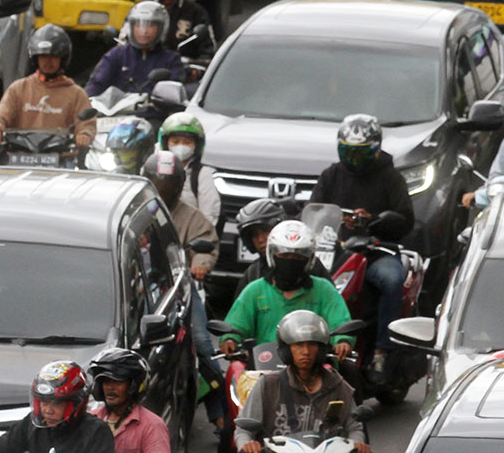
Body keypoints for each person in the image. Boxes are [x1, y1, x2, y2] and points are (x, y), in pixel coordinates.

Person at [308, 114, 412, 383]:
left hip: (377, 251)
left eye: (360, 152)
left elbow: (405, 219)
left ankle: (382, 350)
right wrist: (331, 223)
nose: (354, 158)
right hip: (335, 252)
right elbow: (312, 211)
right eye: (348, 152)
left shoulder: (391, 177)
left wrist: (375, 220)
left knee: (392, 279)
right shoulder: (330, 175)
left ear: (375, 149)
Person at [141, 150, 224, 431]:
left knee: (202, 343)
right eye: (158, 183)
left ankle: (221, 412)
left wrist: (200, 264)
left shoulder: (192, 216)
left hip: (178, 288)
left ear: (179, 185)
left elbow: (206, 244)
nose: (163, 191)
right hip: (141, 288)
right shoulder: (140, 211)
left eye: (169, 185)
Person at [219, 221, 354, 363]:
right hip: (264, 368)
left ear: (309, 259)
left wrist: (342, 341)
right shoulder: (255, 290)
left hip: (314, 369)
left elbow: (339, 322)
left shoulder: (324, 290)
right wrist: (230, 339)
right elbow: (237, 323)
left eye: (298, 257)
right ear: (272, 255)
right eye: (284, 256)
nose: (290, 261)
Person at [234, 311, 369, 453]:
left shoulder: (338, 386)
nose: (306, 351)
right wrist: (247, 444)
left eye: (312, 344)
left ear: (321, 348)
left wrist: (357, 443)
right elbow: (243, 429)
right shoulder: (268, 385)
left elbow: (355, 427)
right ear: (286, 349)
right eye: (298, 344)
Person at [0, 25, 97, 151]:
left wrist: (84, 135)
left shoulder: (76, 94)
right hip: (19, 157)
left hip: (60, 159)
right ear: (36, 59)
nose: (48, 62)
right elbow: (1, 117)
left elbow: (86, 124)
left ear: (62, 59)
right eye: (43, 57)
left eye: (53, 57)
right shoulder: (18, 88)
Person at [0, 360, 114, 453]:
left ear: (76, 404)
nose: (48, 410)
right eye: (43, 402)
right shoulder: (32, 425)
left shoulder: (96, 432)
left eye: (57, 403)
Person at [85, 1, 185, 97]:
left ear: (161, 28)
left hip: (155, 113)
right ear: (131, 27)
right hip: (117, 113)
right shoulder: (116, 54)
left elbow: (173, 93)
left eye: (150, 25)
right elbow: (96, 84)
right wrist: (87, 103)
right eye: (138, 25)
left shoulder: (171, 60)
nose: (144, 31)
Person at [234, 198, 328, 293]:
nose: (260, 239)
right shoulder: (253, 273)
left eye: (265, 231)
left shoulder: (310, 265)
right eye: (254, 235)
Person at [88, 349, 170, 453]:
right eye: (106, 382)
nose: (110, 388)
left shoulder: (152, 426)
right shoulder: (89, 420)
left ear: (133, 387)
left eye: (117, 382)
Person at [159, 113, 221, 227]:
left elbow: (209, 214)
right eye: (175, 141)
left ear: (197, 145)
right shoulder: (156, 170)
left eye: (187, 142)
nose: (181, 146)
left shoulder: (202, 174)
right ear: (166, 143)